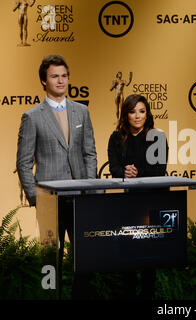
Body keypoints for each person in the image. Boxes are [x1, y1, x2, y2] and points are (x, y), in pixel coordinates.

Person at [16, 54, 97, 299]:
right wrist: (36, 198)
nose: (60, 81)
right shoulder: (32, 116)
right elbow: (23, 162)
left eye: (64, 76)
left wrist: (90, 188)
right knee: (50, 261)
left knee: (86, 257)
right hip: (49, 201)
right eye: (54, 76)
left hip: (80, 199)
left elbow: (90, 152)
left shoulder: (81, 111)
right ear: (44, 81)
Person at [107, 94, 168, 299]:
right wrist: (124, 172)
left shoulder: (157, 137)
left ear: (147, 113)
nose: (137, 116)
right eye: (132, 112)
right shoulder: (116, 138)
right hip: (127, 204)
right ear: (126, 114)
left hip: (152, 204)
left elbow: (160, 170)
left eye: (141, 111)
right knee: (128, 255)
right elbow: (113, 167)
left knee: (150, 259)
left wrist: (137, 173)